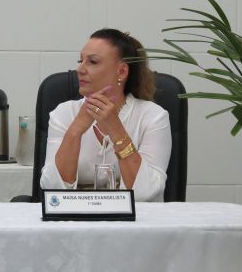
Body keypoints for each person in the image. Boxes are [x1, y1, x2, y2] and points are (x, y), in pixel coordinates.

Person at [39, 28, 171, 201]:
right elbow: (52, 190)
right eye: (80, 60)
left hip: (135, 217)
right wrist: (75, 131)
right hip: (76, 215)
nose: (80, 69)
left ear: (121, 72)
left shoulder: (153, 117)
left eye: (92, 62)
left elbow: (146, 193)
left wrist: (116, 130)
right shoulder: (63, 113)